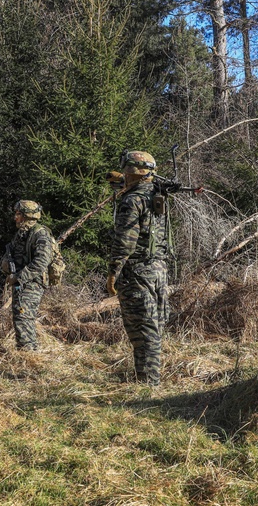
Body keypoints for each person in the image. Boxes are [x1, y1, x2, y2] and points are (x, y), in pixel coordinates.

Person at [106, 151, 170, 386]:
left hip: (137, 271)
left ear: (130, 172)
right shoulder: (156, 194)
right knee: (154, 325)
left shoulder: (132, 200)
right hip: (158, 269)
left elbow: (126, 240)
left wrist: (114, 271)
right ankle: (149, 379)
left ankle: (147, 383)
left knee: (142, 329)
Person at [1, 200, 54, 351]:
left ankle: (28, 352)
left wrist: (19, 277)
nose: (15, 217)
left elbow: (42, 261)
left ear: (27, 216)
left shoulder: (40, 233)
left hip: (32, 282)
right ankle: (26, 349)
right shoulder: (21, 233)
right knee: (20, 315)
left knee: (24, 317)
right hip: (21, 282)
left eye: (18, 214)